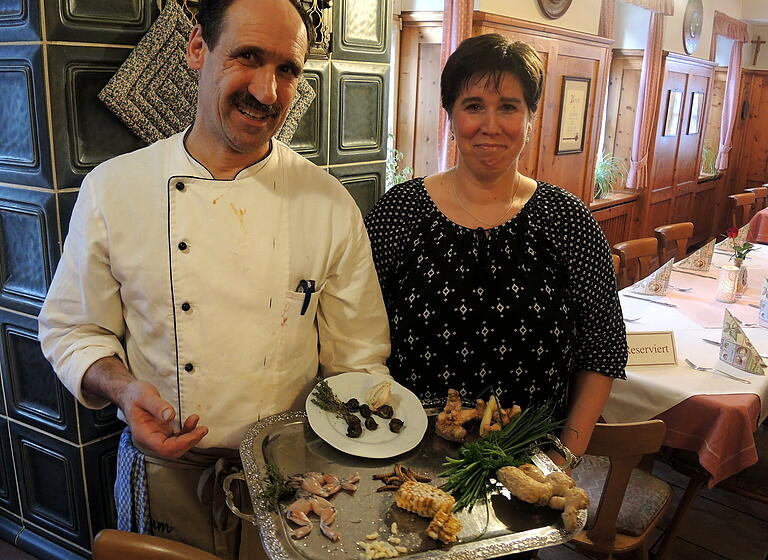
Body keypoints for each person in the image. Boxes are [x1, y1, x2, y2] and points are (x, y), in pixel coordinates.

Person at [38, 0, 389, 557]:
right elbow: (72, 330)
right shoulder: (114, 189)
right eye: (247, 57)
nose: (267, 91)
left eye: (287, 69)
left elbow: (359, 360)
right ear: (197, 48)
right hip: (166, 472)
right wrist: (126, 391)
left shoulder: (328, 204)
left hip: (290, 481)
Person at [365, 33, 627, 467]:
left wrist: (564, 457)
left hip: (531, 459)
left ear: (531, 117)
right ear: (450, 115)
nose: (491, 124)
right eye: (473, 106)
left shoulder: (568, 220)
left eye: (509, 106)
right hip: (407, 452)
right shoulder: (400, 212)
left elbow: (603, 343)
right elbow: (356, 329)